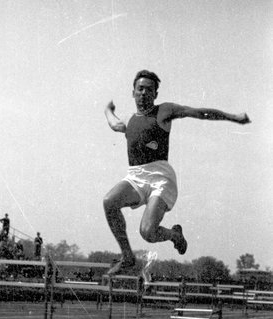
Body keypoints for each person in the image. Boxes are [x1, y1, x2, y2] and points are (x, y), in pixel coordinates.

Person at [103, 69, 251, 276]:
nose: (144, 93)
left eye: (149, 90)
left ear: (155, 94)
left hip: (160, 178)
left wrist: (233, 117)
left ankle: (174, 236)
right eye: (140, 89)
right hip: (136, 176)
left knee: (147, 232)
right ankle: (127, 256)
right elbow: (114, 123)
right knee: (109, 202)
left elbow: (198, 112)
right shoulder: (128, 119)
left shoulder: (164, 111)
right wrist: (107, 109)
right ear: (133, 92)